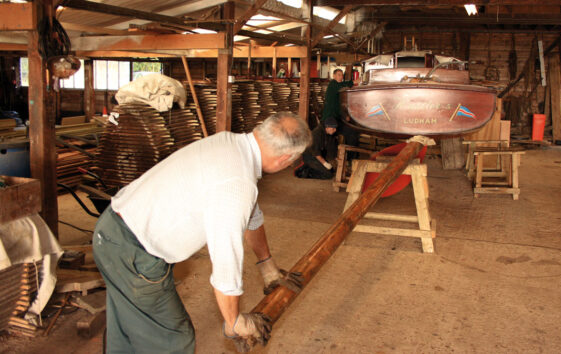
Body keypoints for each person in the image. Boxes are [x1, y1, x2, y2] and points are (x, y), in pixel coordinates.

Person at [92, 112, 311, 353]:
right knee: (173, 339)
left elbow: (252, 215)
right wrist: (234, 321)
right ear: (286, 159)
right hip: (134, 252)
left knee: (128, 327)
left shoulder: (231, 144)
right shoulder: (237, 183)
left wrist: (266, 264)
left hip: (114, 232)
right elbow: (226, 259)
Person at [320, 68, 360, 156]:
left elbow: (338, 106)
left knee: (352, 132)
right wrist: (353, 82)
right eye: (338, 75)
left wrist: (344, 115)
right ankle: (347, 156)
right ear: (333, 76)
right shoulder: (333, 85)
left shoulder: (338, 88)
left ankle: (351, 157)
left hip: (336, 118)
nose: (341, 77)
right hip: (329, 119)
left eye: (342, 75)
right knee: (348, 133)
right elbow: (342, 86)